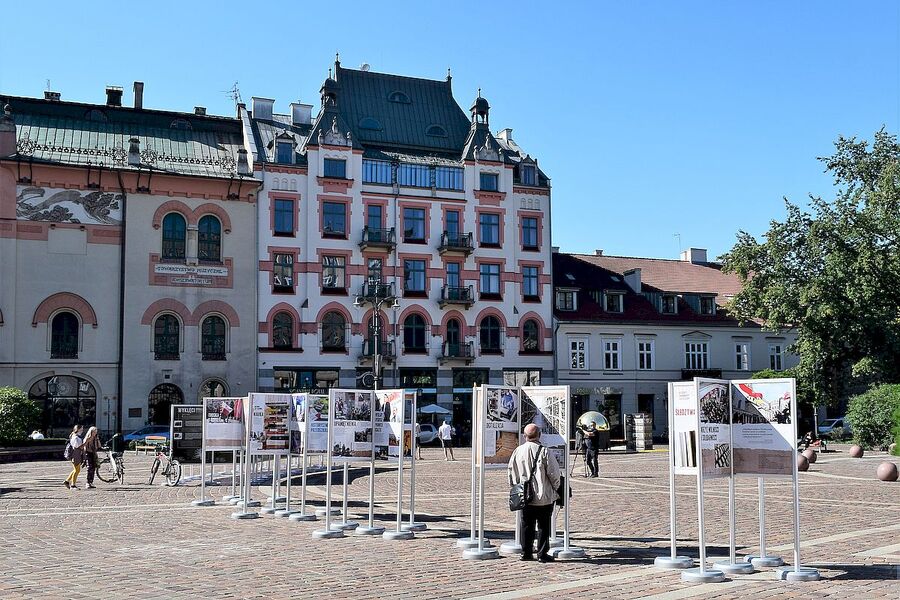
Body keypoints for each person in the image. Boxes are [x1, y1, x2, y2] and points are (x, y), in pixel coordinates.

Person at [508, 423, 561, 563]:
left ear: (525, 436)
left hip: (524, 495)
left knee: (526, 524)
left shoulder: (517, 451)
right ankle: (542, 554)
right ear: (539, 435)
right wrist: (556, 488)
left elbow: (511, 472)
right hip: (543, 495)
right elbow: (554, 474)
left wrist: (515, 487)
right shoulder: (544, 451)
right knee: (544, 525)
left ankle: (526, 552)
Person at [63, 424, 85, 489]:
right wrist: (86, 443)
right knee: (76, 470)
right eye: (81, 429)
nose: (82, 430)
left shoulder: (76, 436)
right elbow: (77, 446)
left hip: (77, 454)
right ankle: (73, 485)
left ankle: (67, 481)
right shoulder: (75, 437)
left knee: (76, 470)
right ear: (78, 429)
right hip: (75, 455)